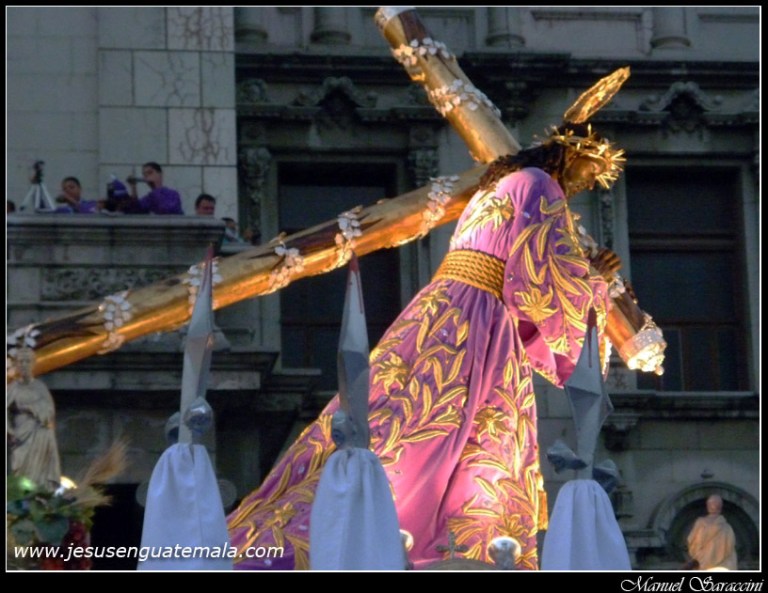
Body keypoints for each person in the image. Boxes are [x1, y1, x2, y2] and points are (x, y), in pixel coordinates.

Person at [227, 74, 628, 570]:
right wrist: (595, 280)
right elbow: (538, 269)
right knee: (468, 436)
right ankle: (451, 542)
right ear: (569, 155)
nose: (586, 183)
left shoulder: (494, 187)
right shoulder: (540, 185)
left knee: (403, 415)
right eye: (588, 172)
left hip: (442, 307)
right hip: (482, 317)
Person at [7, 347, 62, 490]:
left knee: (40, 479)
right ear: (16, 364)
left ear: (33, 363)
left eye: (27, 361)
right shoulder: (13, 388)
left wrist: (34, 408)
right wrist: (9, 431)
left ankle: (40, 497)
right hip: (21, 435)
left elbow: (50, 411)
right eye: (21, 361)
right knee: (21, 475)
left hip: (41, 435)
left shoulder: (40, 387)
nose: (24, 365)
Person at [686, 494, 738, 570]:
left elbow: (691, 542)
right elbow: (730, 550)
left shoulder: (700, 524)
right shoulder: (727, 528)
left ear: (708, 506)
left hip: (702, 565)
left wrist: (700, 556)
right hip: (722, 567)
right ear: (720, 507)